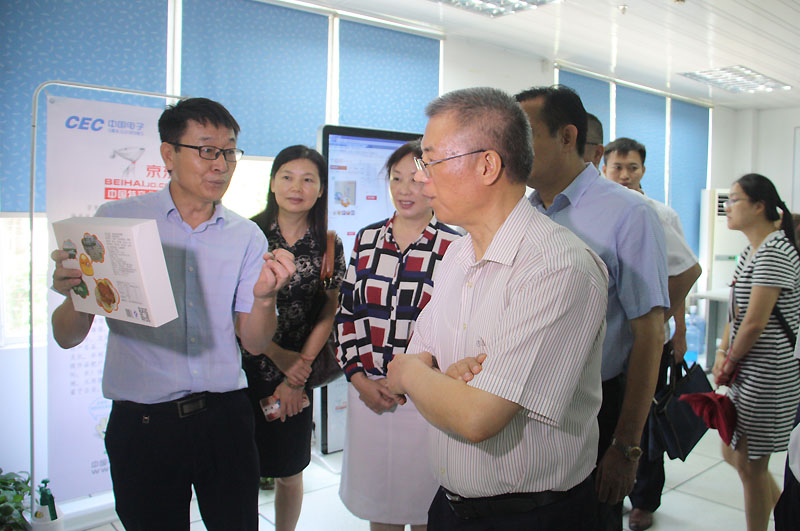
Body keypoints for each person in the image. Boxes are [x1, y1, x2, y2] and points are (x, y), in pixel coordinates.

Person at [50, 97, 295, 531]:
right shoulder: (115, 222)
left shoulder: (246, 236)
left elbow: (255, 343)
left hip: (226, 419)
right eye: (206, 150)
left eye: (229, 152)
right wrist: (74, 295)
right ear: (168, 154)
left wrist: (264, 299)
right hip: (144, 424)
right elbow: (68, 336)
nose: (220, 165)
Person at [384, 86, 609, 530]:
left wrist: (418, 376)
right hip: (449, 505)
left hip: (531, 516)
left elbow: (476, 417)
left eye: (430, 161)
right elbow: (410, 362)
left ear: (487, 165)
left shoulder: (557, 266)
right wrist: (434, 378)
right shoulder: (458, 253)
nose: (422, 180)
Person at [514, 85, 669, 531]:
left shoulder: (628, 213)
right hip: (524, 400)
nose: (512, 150)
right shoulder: (524, 212)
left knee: (588, 518)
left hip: (595, 404)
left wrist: (627, 446)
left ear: (566, 137)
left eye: (524, 136)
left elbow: (649, 334)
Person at [335, 140, 460, 530]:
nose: (405, 189)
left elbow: (455, 327)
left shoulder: (454, 246)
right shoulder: (367, 239)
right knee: (380, 509)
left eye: (417, 179)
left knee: (425, 509)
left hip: (425, 400)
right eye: (396, 178)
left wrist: (416, 381)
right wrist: (358, 379)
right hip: (369, 394)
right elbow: (347, 314)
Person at [241, 145, 346, 531]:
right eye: (287, 177)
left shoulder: (328, 244)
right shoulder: (246, 235)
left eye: (307, 179)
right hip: (242, 371)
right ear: (272, 183)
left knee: (289, 469)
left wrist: (297, 371)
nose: (296, 187)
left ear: (321, 189)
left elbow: (328, 310)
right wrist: (277, 355)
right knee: (239, 469)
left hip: (298, 373)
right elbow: (229, 308)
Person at [603, 136, 702, 530]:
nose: (625, 175)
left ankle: (644, 498)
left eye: (633, 168)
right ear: (604, 168)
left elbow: (682, 273)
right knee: (611, 418)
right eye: (618, 167)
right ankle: (611, 493)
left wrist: (676, 332)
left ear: (643, 170)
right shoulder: (602, 211)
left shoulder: (661, 214)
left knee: (643, 421)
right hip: (612, 342)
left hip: (651, 339)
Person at [712, 173, 800, 531]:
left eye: (734, 200)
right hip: (747, 371)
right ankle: (783, 512)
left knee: (750, 464)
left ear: (759, 206)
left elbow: (754, 323)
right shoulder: (753, 249)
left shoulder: (775, 251)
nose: (727, 207)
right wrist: (722, 352)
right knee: (732, 452)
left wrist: (729, 361)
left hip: (768, 373)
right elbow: (736, 314)